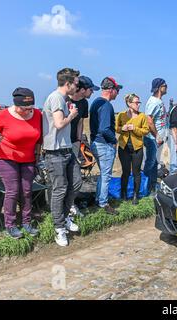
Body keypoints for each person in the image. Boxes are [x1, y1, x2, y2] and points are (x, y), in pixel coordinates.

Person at [0, 88, 42, 239]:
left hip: (28, 158)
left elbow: (40, 136)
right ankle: (10, 225)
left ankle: (26, 222)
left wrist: (38, 153)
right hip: (5, 158)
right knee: (13, 190)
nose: (29, 111)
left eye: (31, 107)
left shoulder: (37, 114)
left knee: (27, 191)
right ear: (16, 105)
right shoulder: (2, 116)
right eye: (25, 108)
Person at [42, 68, 82, 247]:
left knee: (76, 183)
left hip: (66, 150)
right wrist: (72, 115)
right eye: (76, 83)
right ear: (68, 84)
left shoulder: (63, 99)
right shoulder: (56, 97)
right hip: (55, 152)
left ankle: (64, 218)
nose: (77, 86)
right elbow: (58, 124)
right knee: (60, 190)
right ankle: (59, 228)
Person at [90, 77, 122, 215]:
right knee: (106, 175)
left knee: (103, 174)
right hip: (103, 143)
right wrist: (114, 140)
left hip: (96, 142)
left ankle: (99, 199)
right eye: (117, 90)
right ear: (111, 90)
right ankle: (103, 203)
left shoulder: (96, 102)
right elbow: (104, 129)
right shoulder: (106, 105)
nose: (118, 93)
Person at [68, 75, 100, 218]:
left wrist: (79, 140)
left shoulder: (84, 104)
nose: (92, 93)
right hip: (59, 145)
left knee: (76, 179)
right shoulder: (64, 100)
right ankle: (63, 209)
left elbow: (80, 122)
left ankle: (70, 204)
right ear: (82, 89)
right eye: (90, 90)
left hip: (74, 143)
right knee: (62, 180)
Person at [116, 94, 149, 205]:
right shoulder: (121, 115)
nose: (138, 104)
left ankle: (136, 195)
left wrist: (135, 129)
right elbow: (116, 128)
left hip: (137, 148)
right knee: (125, 172)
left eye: (139, 102)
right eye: (136, 102)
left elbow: (145, 131)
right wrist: (123, 129)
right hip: (123, 148)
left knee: (136, 173)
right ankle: (124, 194)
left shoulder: (142, 116)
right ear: (129, 103)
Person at [144, 78, 168, 194]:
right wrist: (157, 135)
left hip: (156, 138)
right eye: (165, 85)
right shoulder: (153, 101)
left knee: (154, 163)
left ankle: (152, 186)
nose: (166, 87)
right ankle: (147, 188)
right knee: (151, 162)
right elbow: (149, 120)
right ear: (159, 87)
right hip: (152, 138)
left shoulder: (158, 101)